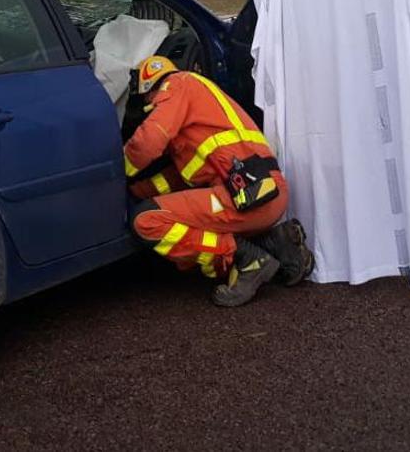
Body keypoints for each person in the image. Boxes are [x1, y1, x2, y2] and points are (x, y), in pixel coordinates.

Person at [123, 56, 313, 307]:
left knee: (146, 220)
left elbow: (150, 140)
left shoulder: (177, 84)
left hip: (242, 198)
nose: (149, 106)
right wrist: (136, 191)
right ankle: (276, 243)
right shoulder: (201, 106)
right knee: (179, 211)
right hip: (264, 194)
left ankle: (245, 258)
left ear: (149, 86)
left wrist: (118, 170)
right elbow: (178, 179)